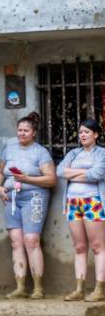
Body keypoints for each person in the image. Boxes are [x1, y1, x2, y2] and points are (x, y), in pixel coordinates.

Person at [0, 112, 56, 299]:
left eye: (26, 130)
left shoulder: (40, 152)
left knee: (31, 240)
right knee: (16, 242)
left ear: (34, 133)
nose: (22, 133)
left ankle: (38, 288)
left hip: (34, 197)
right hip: (12, 198)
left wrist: (26, 178)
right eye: (19, 130)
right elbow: (0, 172)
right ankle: (20, 287)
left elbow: (51, 179)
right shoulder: (9, 149)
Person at [57, 119, 105, 302]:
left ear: (96, 134)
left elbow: (97, 174)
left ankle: (100, 289)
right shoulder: (73, 153)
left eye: (87, 132)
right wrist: (84, 173)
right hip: (72, 202)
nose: (83, 135)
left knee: (98, 246)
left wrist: (74, 173)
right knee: (79, 247)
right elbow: (60, 172)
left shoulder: (101, 153)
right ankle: (80, 289)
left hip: (93, 202)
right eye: (81, 132)